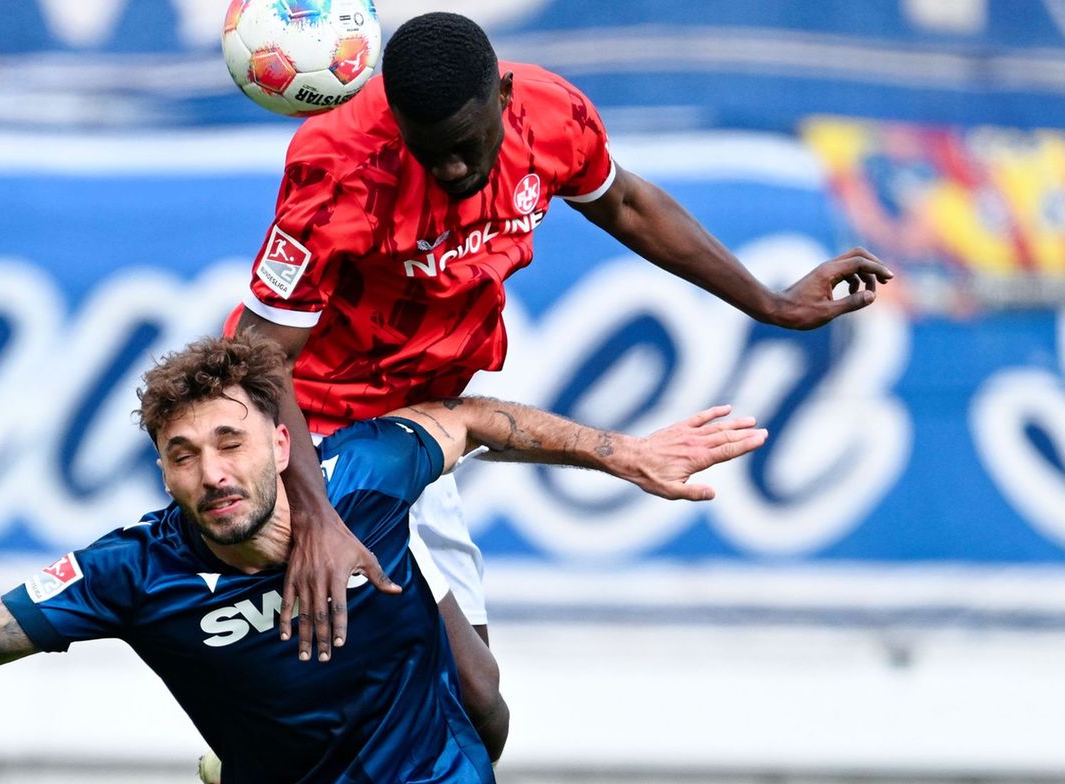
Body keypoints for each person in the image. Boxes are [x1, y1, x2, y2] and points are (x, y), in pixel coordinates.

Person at [226, 11, 894, 663]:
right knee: (408, 679)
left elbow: (627, 203)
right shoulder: (338, 168)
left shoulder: (551, 115)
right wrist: (313, 514)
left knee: (477, 698)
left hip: (421, 421)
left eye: (466, 145)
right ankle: (260, 764)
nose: (455, 170)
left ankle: (257, 764)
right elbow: (260, 353)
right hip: (314, 430)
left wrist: (768, 302)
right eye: (433, 154)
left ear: (505, 99)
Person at [0, 333, 766, 784]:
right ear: (163, 470)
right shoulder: (134, 569)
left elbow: (474, 417)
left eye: (230, 442)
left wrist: (622, 453)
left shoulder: (365, 475)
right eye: (184, 455)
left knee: (482, 694)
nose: (214, 473)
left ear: (281, 443)